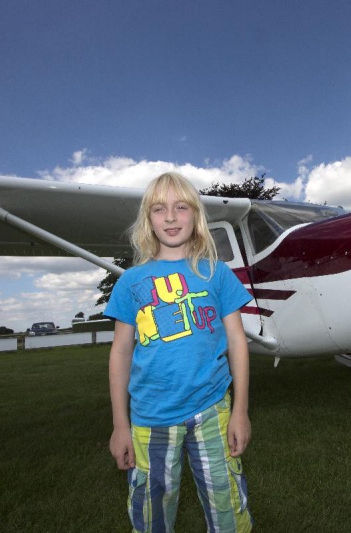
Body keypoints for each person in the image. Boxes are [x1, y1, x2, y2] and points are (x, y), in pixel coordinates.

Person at [105, 171, 253, 532]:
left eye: (181, 207)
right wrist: (119, 425)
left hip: (213, 409)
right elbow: (121, 353)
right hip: (150, 418)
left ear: (196, 216)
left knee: (226, 505)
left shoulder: (216, 274)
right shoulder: (129, 282)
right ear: (148, 220)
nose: (170, 217)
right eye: (159, 209)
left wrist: (241, 411)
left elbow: (237, 342)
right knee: (152, 509)